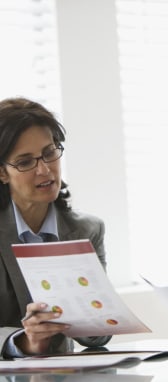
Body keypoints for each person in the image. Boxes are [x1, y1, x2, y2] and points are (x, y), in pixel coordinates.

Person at [0, 97, 111, 358]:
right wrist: (23, 341)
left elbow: (97, 336)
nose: (45, 169)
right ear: (2, 173)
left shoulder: (88, 230)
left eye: (49, 153)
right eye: (26, 162)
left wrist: (96, 314)